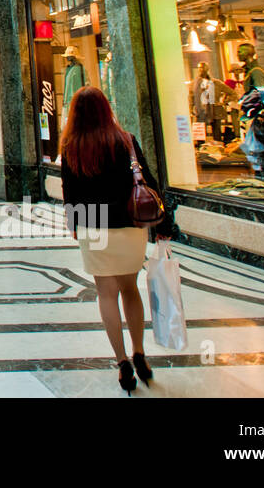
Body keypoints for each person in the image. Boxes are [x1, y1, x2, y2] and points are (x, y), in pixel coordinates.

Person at [59, 87, 174, 394]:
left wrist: (74, 225)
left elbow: (69, 193)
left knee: (106, 294)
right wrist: (166, 222)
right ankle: (139, 352)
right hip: (129, 226)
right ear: (106, 109)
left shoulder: (71, 145)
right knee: (130, 289)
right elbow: (146, 181)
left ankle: (122, 361)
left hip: (92, 226)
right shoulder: (125, 141)